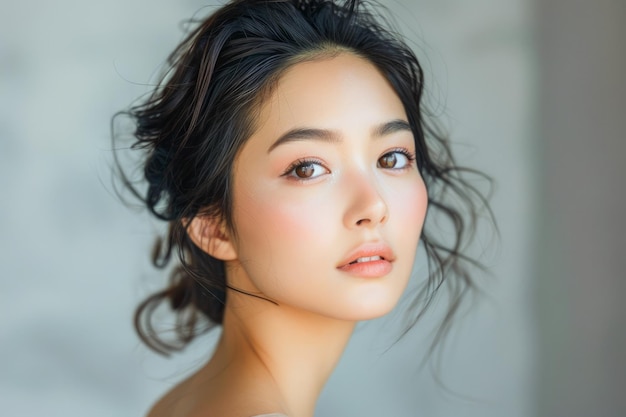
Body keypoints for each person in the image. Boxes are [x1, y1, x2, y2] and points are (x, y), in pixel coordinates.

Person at [113, 1, 492, 416]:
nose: (373, 206)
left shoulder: (189, 401)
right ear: (212, 224)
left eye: (392, 158)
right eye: (308, 168)